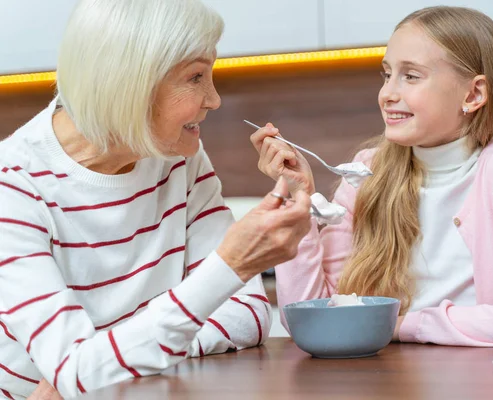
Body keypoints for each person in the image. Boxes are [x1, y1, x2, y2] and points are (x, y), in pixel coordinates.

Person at [0, 0, 312, 398]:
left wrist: (104, 362)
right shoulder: (12, 185)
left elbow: (247, 315)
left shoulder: (176, 158)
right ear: (129, 81)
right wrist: (229, 265)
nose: (214, 99)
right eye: (196, 76)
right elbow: (79, 373)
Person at [250, 6, 493, 348]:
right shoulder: (367, 172)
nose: (387, 93)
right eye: (386, 74)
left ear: (473, 95)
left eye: (410, 76)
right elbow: (311, 319)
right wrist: (300, 202)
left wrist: (406, 326)